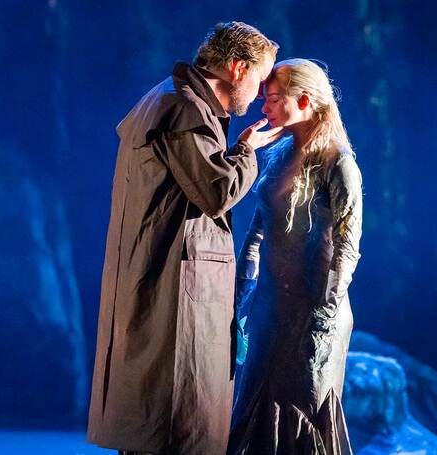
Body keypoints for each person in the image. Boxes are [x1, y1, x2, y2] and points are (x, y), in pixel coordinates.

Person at [87, 22, 282, 455]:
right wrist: (246, 151)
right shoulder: (184, 108)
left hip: (157, 279)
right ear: (236, 67)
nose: (260, 92)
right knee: (173, 426)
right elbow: (217, 192)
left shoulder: (169, 99)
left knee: (155, 424)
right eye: (260, 77)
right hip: (172, 291)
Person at [229, 59, 362, 454]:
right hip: (272, 304)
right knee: (253, 401)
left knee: (302, 412)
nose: (263, 107)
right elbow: (257, 229)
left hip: (313, 308)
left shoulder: (338, 161)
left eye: (272, 99)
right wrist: (242, 289)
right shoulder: (280, 151)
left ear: (304, 101)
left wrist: (325, 312)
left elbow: (347, 244)